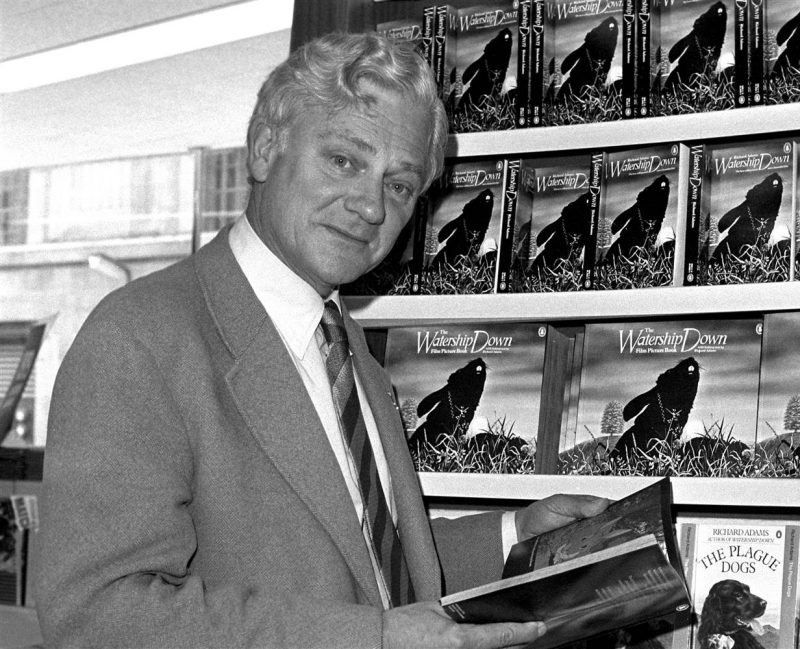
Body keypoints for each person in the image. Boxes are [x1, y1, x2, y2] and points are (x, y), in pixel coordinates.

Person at [36, 32, 608, 649]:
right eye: (344, 160)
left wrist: (513, 535)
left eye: (399, 185)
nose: (369, 205)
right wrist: (376, 640)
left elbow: (359, 556)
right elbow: (98, 614)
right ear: (263, 149)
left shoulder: (348, 348)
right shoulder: (140, 337)